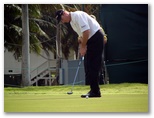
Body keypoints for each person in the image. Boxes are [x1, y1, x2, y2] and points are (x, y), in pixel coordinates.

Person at [55, 9, 104, 98]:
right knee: (88, 65)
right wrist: (82, 44)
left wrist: (83, 47)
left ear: (64, 13)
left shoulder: (78, 15)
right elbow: (82, 35)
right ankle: (94, 90)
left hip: (96, 38)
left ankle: (95, 92)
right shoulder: (72, 22)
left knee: (93, 65)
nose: (62, 22)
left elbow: (86, 31)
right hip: (90, 40)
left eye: (61, 19)